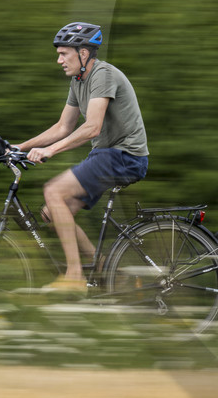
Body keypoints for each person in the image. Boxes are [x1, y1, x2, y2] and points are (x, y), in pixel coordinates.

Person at [14, 22, 150, 292]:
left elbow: (92, 127)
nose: (59, 60)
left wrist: (50, 151)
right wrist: (20, 147)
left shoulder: (103, 75)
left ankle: (74, 276)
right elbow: (63, 127)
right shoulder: (79, 81)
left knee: (53, 191)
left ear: (84, 54)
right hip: (104, 155)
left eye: (64, 53)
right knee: (52, 212)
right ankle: (100, 267)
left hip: (125, 156)